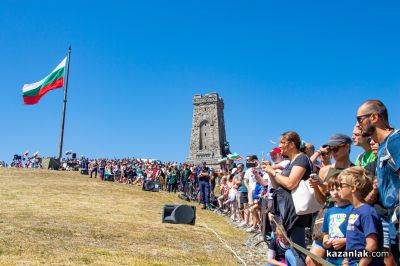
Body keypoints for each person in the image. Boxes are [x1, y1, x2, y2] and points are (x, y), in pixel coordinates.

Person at [356, 99, 400, 263]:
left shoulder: (395, 141)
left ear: (374, 117)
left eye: (359, 119)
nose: (358, 125)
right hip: (390, 220)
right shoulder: (382, 147)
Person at [262, 131, 313, 265]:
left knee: (297, 251)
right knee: (292, 250)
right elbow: (278, 185)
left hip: (296, 212)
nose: (280, 147)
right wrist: (270, 173)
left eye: (282, 143)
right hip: (286, 211)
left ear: (291, 144)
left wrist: (273, 171)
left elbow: (291, 183)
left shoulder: (301, 158)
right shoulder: (291, 162)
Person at [339, 166, 384, 265]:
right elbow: (351, 242)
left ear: (354, 187)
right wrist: (346, 261)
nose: (339, 188)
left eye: (341, 185)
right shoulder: (353, 211)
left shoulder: (367, 212)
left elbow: (372, 246)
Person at [322, 174, 352, 266]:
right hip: (331, 256)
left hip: (348, 255)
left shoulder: (352, 209)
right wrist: (325, 242)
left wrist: (344, 241)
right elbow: (326, 233)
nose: (335, 192)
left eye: (338, 189)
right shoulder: (328, 211)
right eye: (332, 189)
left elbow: (358, 234)